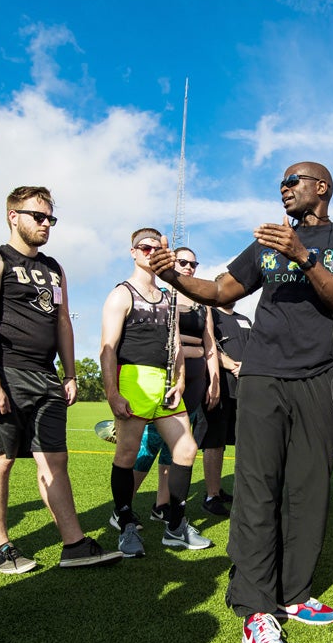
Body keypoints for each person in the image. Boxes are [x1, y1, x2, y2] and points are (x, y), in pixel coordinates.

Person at [148, 162, 333, 643]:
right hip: (264, 377)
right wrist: (172, 275)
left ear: (322, 187)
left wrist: (304, 255)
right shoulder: (268, 244)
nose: (285, 188)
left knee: (309, 487)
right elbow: (220, 290)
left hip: (318, 379)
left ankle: (294, 592)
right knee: (256, 487)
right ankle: (255, 607)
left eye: (295, 181)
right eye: (281, 183)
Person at [0, 186, 121, 573]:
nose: (46, 224)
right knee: (1, 459)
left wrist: (70, 374)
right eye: (38, 216)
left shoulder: (54, 267)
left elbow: (63, 321)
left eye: (50, 218)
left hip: (46, 376)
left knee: (55, 459)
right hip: (4, 372)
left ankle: (74, 545)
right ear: (12, 216)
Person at [100, 229, 211, 558]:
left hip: (165, 386)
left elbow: (175, 343)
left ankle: (175, 525)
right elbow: (107, 350)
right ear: (134, 252)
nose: (152, 252)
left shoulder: (168, 296)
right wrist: (112, 393)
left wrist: (178, 379)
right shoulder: (122, 293)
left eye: (159, 247)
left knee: (186, 448)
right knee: (127, 453)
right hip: (132, 380)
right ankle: (125, 521)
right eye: (146, 247)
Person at [127, 247, 224, 518]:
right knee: (152, 443)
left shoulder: (202, 302)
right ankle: (123, 507)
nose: (189, 268)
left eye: (194, 264)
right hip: (171, 377)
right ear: (172, 263)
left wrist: (213, 380)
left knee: (178, 445)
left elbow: (210, 343)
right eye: (183, 262)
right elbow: (171, 340)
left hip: (197, 378)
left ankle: (162, 504)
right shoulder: (164, 297)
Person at [202, 300, 251, 513]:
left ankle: (239, 493)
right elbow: (208, 347)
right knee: (215, 442)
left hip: (245, 391)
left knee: (246, 443)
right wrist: (232, 366)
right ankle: (212, 495)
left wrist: (248, 367)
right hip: (219, 389)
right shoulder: (209, 314)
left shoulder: (245, 319)